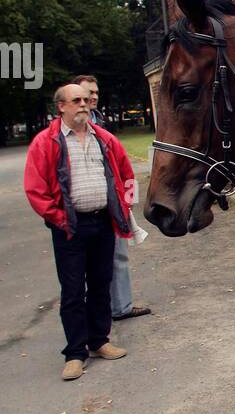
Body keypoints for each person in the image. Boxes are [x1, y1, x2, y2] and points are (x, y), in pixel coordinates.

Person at [23, 83, 133, 380]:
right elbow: (36, 190)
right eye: (76, 100)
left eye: (86, 100)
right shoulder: (46, 142)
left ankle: (99, 341)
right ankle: (75, 353)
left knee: (101, 284)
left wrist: (124, 207)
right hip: (69, 228)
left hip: (102, 223)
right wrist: (59, 218)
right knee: (73, 291)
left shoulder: (105, 139)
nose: (84, 104)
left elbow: (127, 175)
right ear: (61, 106)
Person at [73, 74, 152, 322]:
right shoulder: (70, 128)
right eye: (87, 94)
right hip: (83, 207)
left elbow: (122, 166)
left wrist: (128, 200)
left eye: (95, 93)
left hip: (113, 201)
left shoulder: (101, 122)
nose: (92, 98)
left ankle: (121, 306)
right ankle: (102, 309)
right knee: (87, 263)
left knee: (118, 255)